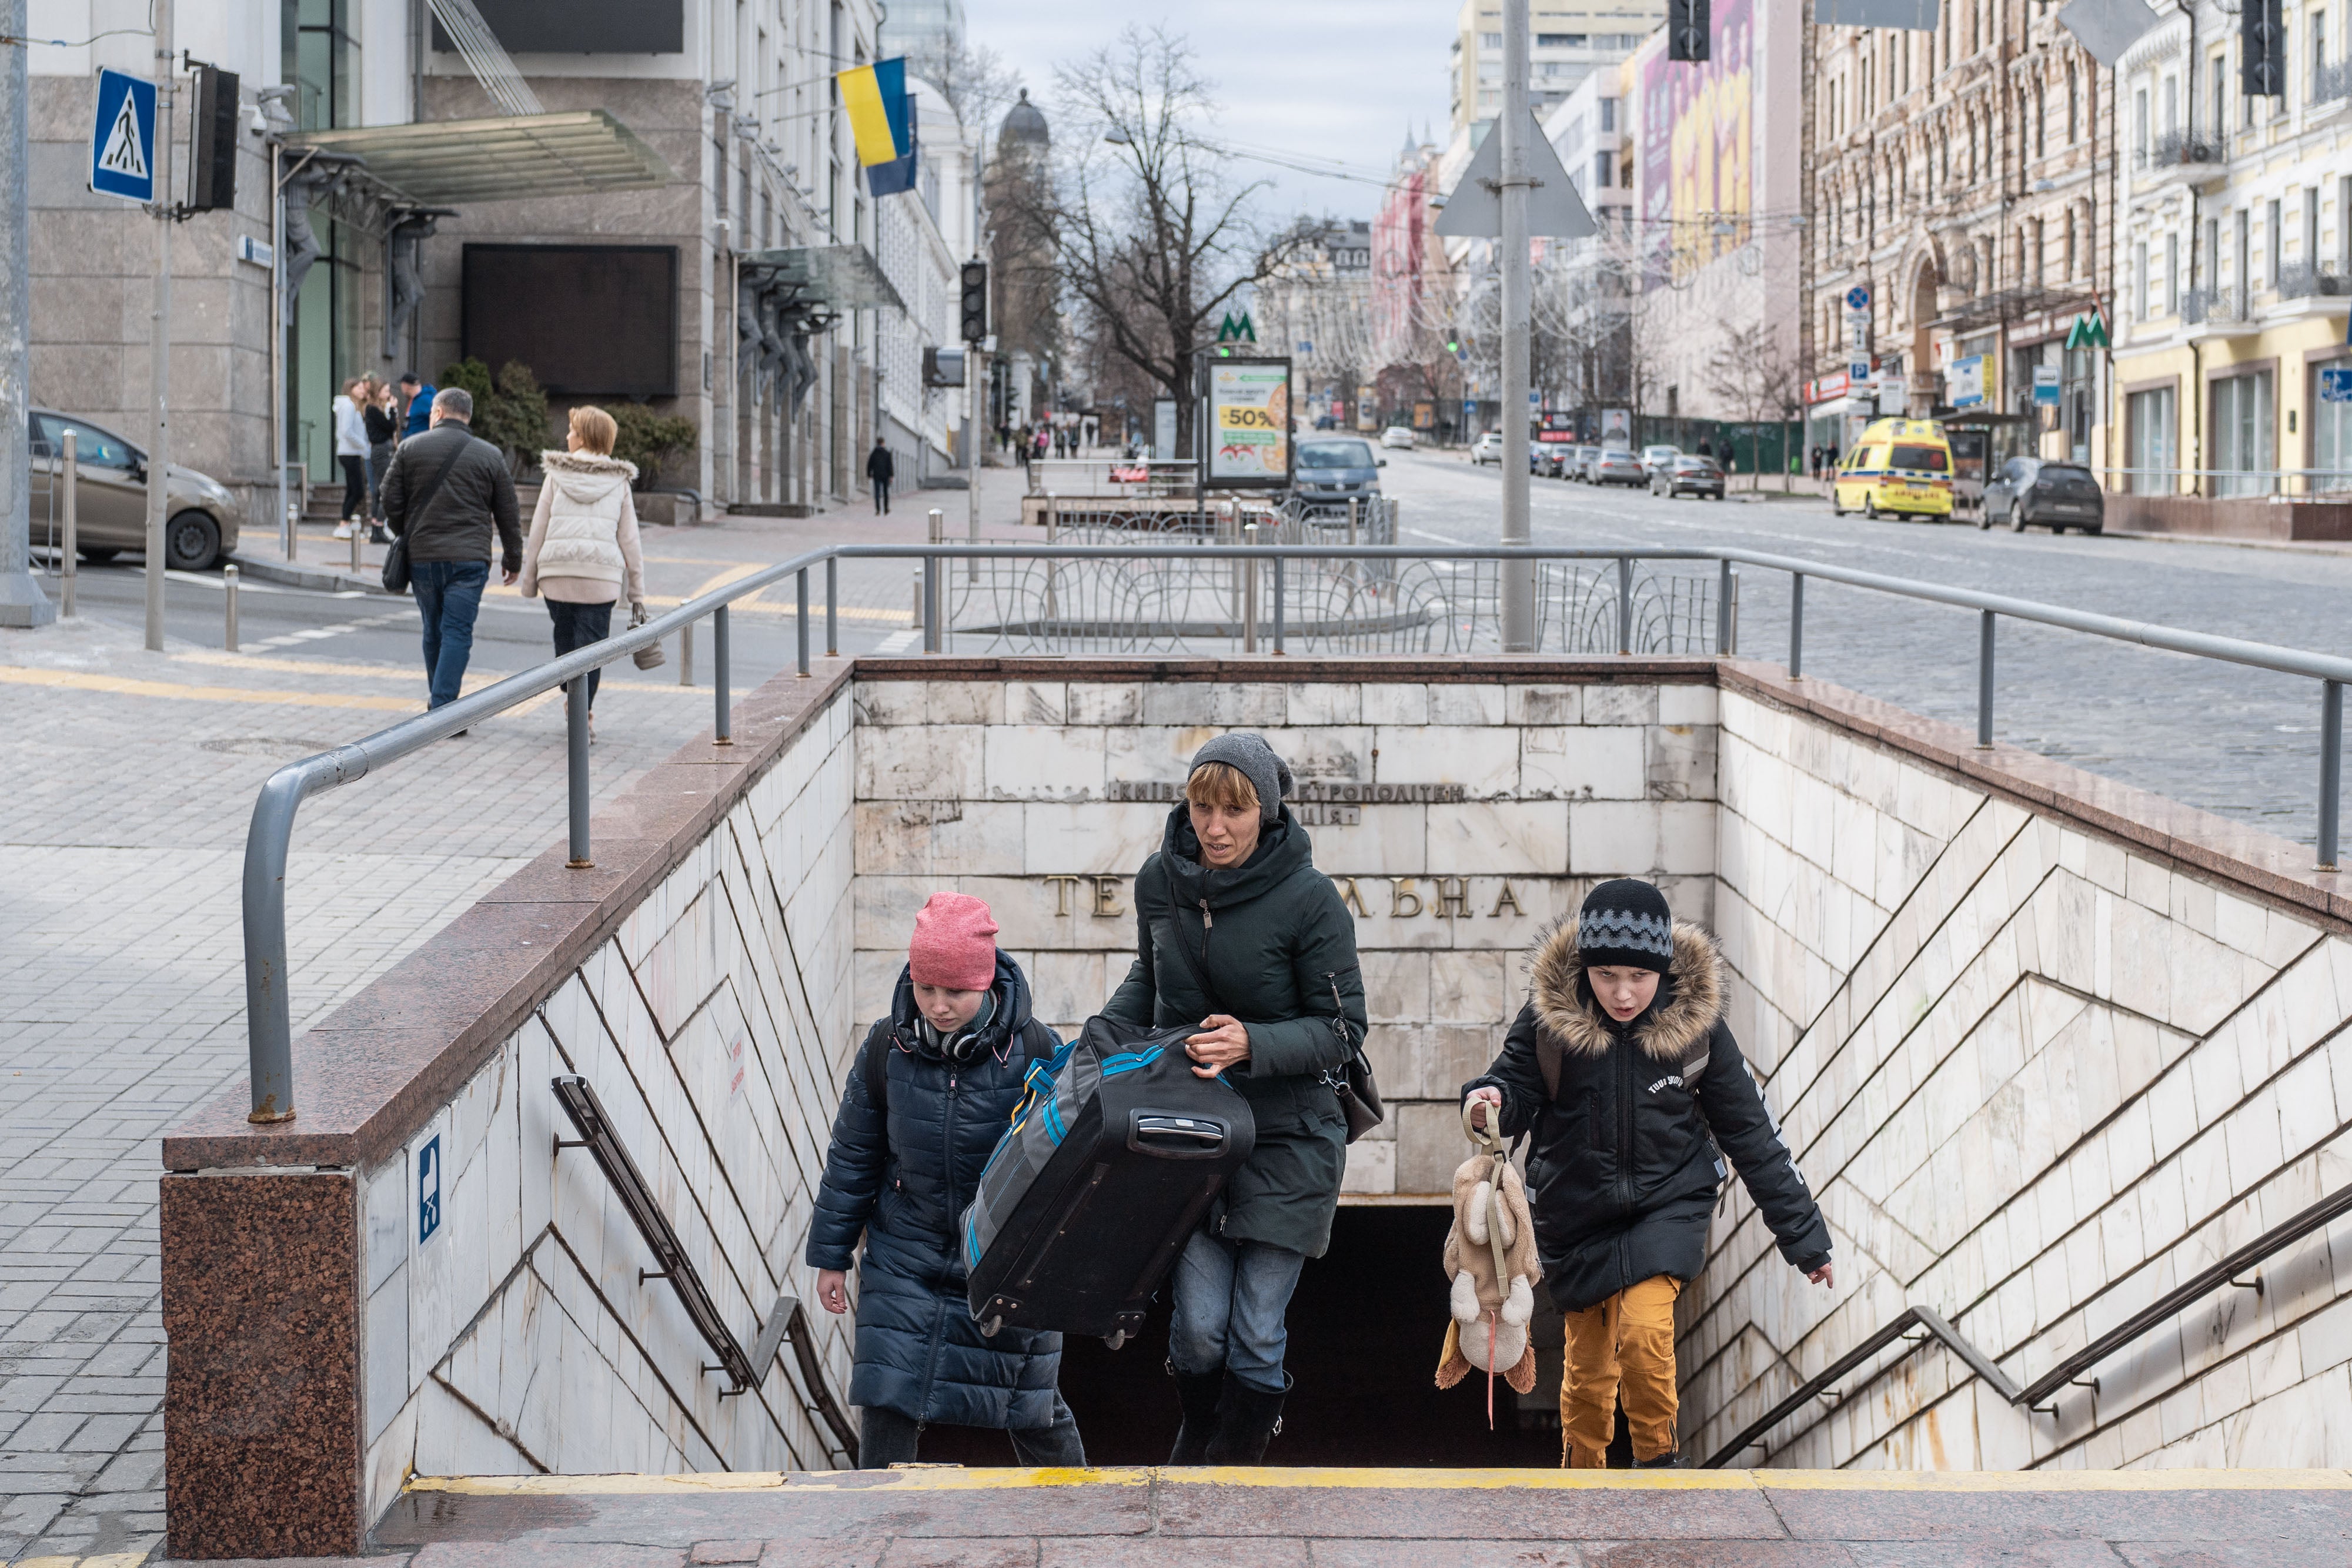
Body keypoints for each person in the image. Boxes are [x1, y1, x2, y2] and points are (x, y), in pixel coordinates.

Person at [1462, 879, 1833, 1469]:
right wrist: (1491, 1100)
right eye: (1606, 975)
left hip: (1669, 1203)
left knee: (1644, 1333)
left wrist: (1803, 1237)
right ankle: (1581, 1473)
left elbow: (1752, 1136)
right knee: (1587, 1375)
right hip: (1575, 1211)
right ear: (1585, 968)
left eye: (1639, 976)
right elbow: (1515, 1086)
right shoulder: (1549, 1022)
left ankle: (1658, 1462)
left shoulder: (1696, 1030)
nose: (1624, 993)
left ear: (1662, 970)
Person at [1101, 734, 1367, 1466]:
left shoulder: (1311, 901)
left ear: (1266, 812)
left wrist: (1253, 1042)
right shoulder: (1160, 880)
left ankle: (1231, 1469)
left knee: (1253, 1329)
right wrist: (1103, 1035)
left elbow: (1344, 1029)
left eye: (1234, 811)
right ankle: (1200, 1428)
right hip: (1192, 1135)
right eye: (1202, 806)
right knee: (1196, 1331)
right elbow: (1149, 980)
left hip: (1291, 1139)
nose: (1214, 826)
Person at [806, 893, 1087, 1469]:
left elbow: (1064, 1169)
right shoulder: (886, 1046)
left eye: (954, 992)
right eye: (925, 988)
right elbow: (854, 1153)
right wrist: (831, 1254)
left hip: (999, 1256)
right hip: (905, 1252)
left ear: (984, 985)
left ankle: (1083, 1523)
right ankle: (874, 1528)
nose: (937, 1005)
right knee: (887, 1396)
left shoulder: (1036, 1050)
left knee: (1031, 1404)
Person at [380, 387, 520, 717]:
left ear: (438, 413)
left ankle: (440, 707)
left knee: (432, 628)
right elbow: (508, 513)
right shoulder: (490, 455)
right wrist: (513, 559)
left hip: (423, 557)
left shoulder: (410, 448)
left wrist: (406, 530)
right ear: (467, 416)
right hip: (470, 560)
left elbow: (389, 497)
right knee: (457, 631)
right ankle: (444, 710)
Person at [519, 405, 646, 740]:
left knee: (566, 643)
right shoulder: (619, 481)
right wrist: (637, 592)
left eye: (573, 431)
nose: (567, 436)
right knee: (591, 650)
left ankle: (573, 701)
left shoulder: (556, 475)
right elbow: (630, 540)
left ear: (586, 436)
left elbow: (538, 530)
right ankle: (583, 715)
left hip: (556, 575)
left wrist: (529, 580)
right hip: (601, 580)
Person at [362, 378, 399, 545]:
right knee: (385, 490)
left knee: (379, 491)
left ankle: (376, 531)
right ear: (378, 393)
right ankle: (378, 529)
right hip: (382, 451)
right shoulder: (373, 409)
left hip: (379, 451)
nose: (389, 394)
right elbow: (390, 427)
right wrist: (392, 410)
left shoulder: (372, 409)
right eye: (385, 391)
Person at [332, 380, 369, 539]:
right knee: (358, 491)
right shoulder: (348, 406)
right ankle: (344, 524)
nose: (363, 390)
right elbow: (346, 431)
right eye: (359, 387)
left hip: (350, 453)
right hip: (349, 453)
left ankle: (344, 524)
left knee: (353, 491)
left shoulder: (352, 406)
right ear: (351, 389)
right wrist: (363, 445)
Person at [398, 372, 436, 439]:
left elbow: (436, 419)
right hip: (413, 442)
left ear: (405, 386)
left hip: (421, 443)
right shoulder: (415, 400)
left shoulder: (425, 400)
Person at [866, 437, 895, 515]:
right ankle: (886, 509)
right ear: (883, 443)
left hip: (877, 475)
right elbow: (890, 465)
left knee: (877, 493)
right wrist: (891, 476)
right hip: (885, 476)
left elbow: (869, 464)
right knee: (886, 493)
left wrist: (869, 474)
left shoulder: (874, 453)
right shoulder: (887, 453)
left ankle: (878, 510)